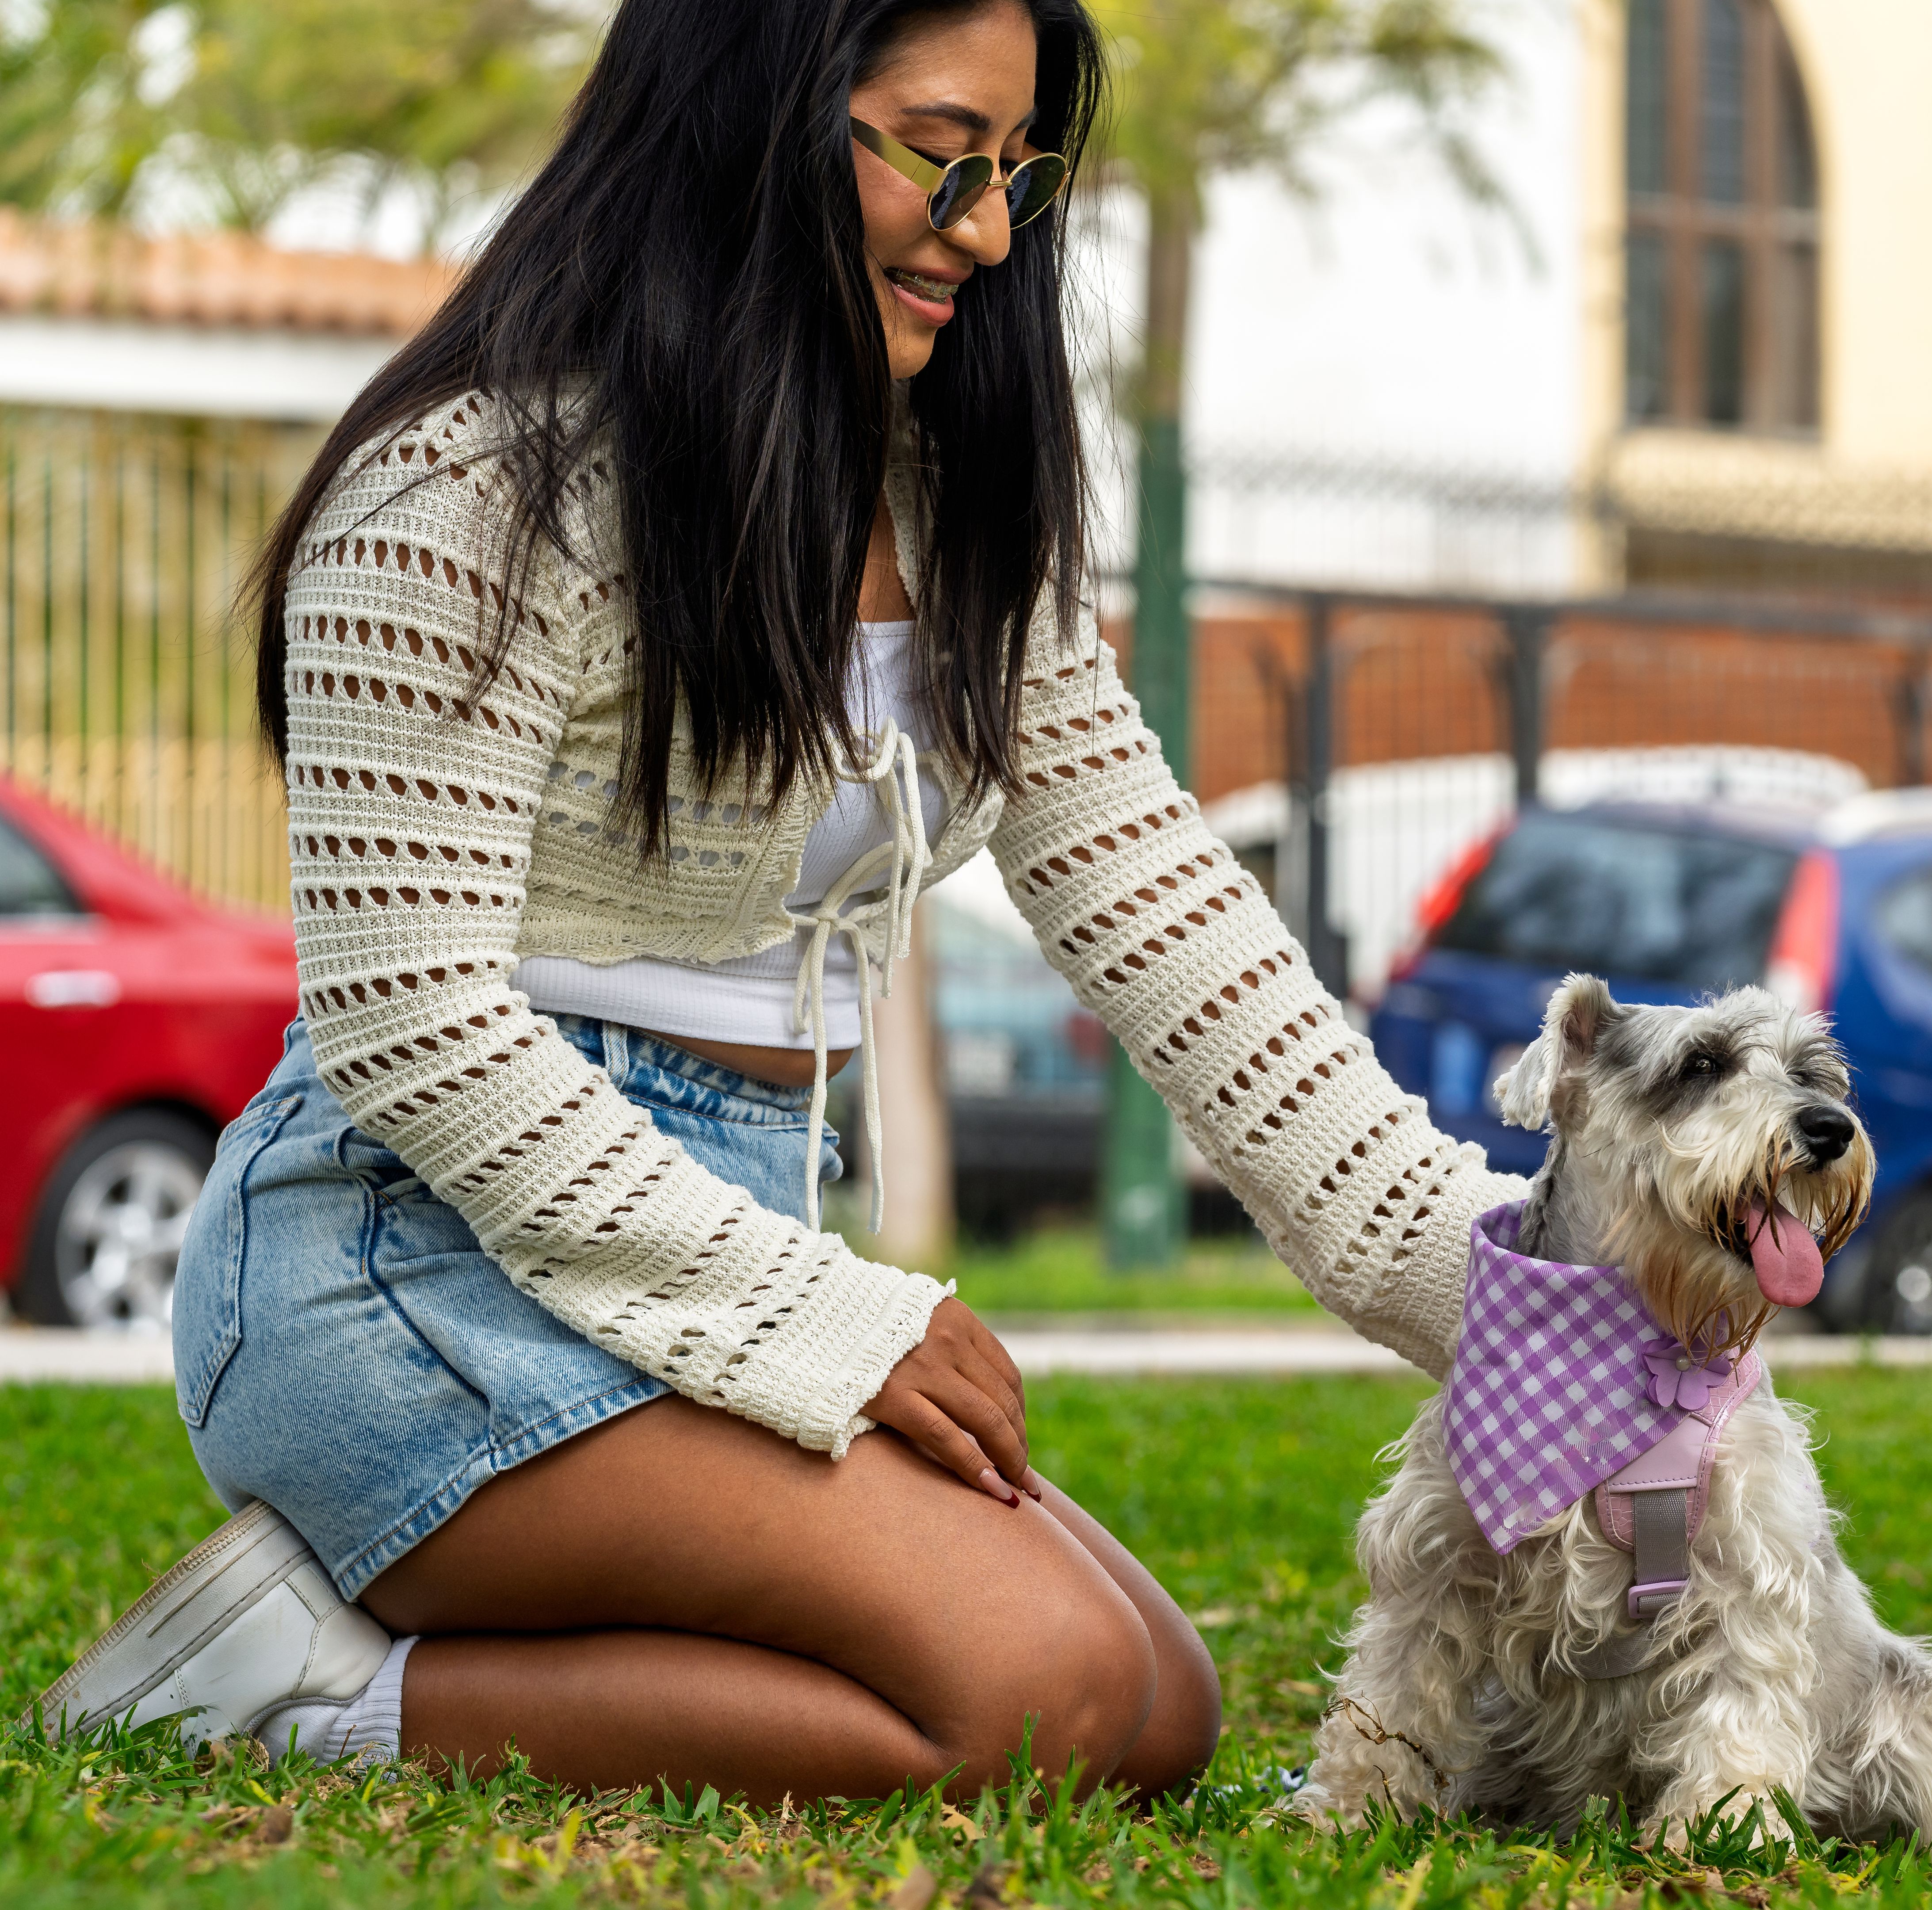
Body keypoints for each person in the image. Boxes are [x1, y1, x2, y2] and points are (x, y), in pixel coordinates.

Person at [40, 0, 1519, 1803]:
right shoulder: (462, 493)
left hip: (713, 1251)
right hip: (397, 1270)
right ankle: (287, 1706)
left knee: (1150, 1707)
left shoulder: (958, 519)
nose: (985, 228)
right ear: (753, 109)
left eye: (1018, 172)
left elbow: (1182, 926)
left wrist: (1532, 1287)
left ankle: (407, 1656)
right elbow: (410, 1030)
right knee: (1036, 1692)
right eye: (936, 150)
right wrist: (847, 1320)